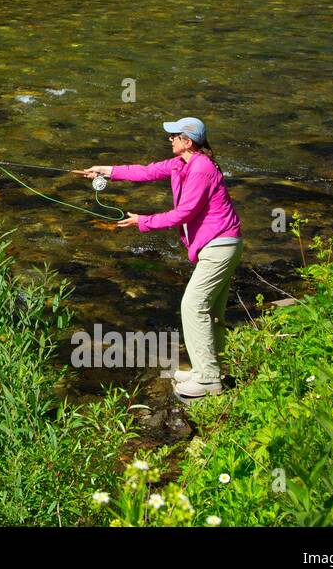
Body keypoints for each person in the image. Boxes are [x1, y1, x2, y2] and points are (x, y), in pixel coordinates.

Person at [73, 117, 242, 398]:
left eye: (174, 135)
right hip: (221, 244)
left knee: (193, 306)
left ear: (188, 142)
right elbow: (146, 171)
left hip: (219, 245)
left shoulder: (201, 168)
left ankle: (208, 380)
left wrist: (143, 221)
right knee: (211, 312)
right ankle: (210, 369)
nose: (170, 139)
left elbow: (184, 212)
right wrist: (106, 171)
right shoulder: (181, 164)